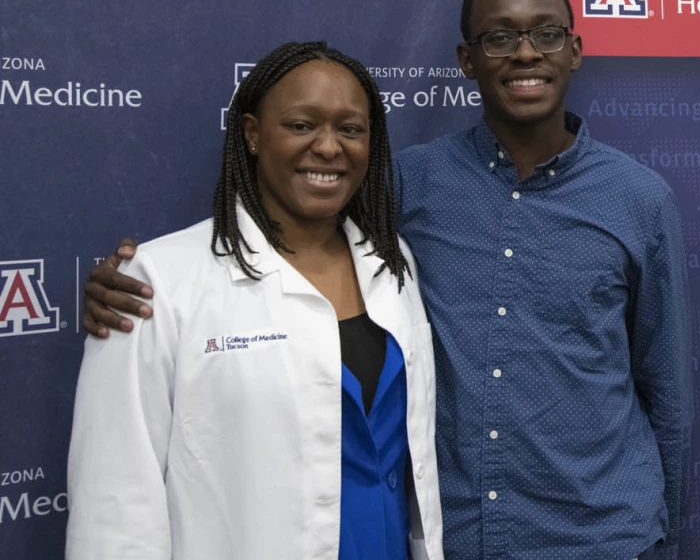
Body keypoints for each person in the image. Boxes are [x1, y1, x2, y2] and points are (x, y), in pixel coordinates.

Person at [82, 0, 693, 560]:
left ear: (575, 50)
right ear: (467, 60)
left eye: (547, 34)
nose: (526, 53)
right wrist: (128, 285)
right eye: (500, 37)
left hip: (602, 534)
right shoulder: (408, 186)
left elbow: (665, 391)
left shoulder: (639, 200)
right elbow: (278, 243)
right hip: (460, 534)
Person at [67, 41, 444, 560]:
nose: (329, 147)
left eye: (351, 129)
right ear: (251, 134)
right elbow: (115, 500)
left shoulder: (392, 262)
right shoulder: (158, 280)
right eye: (301, 125)